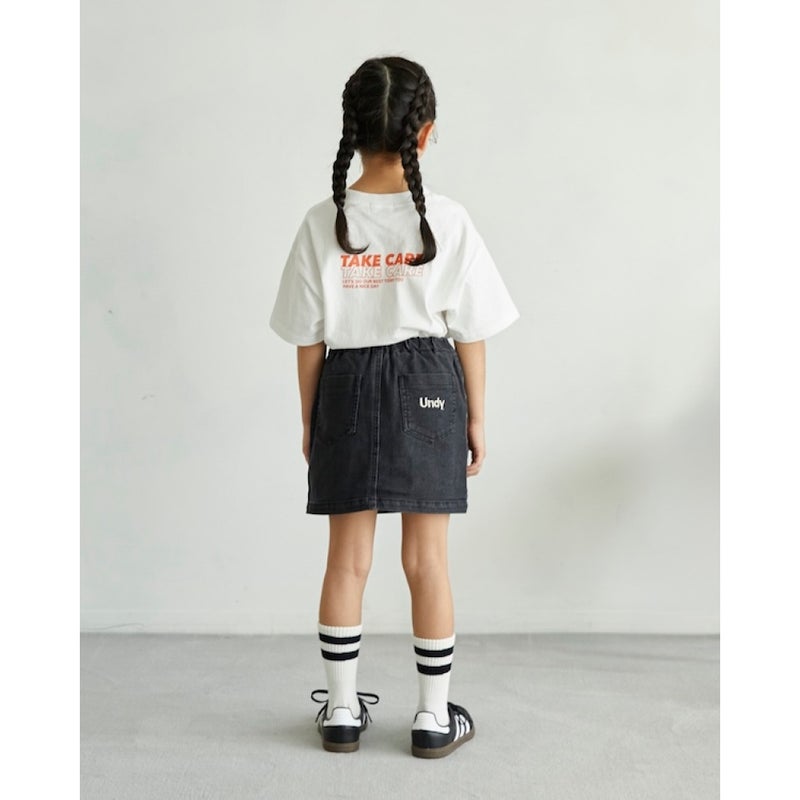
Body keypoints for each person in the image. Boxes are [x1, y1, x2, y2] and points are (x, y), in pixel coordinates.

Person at [269, 56, 520, 758]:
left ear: (350, 129)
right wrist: (475, 418)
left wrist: (310, 420)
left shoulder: (323, 221)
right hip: (428, 383)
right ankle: (433, 720)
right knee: (427, 562)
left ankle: (342, 711)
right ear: (426, 132)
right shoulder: (448, 218)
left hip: (345, 383)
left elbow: (308, 340)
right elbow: (469, 332)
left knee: (346, 561)